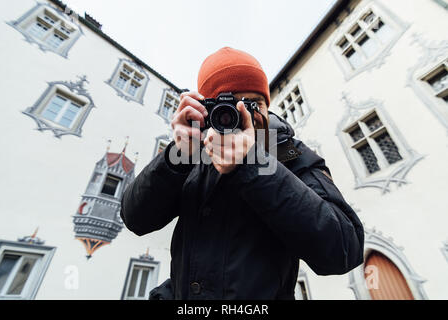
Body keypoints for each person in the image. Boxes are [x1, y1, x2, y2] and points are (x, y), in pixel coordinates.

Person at [120, 47, 364, 300]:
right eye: (229, 105)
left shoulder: (289, 152)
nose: (241, 114)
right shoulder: (193, 156)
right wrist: (177, 155)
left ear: (267, 106)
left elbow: (344, 250)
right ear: (207, 110)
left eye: (253, 103)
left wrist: (252, 163)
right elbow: (135, 219)